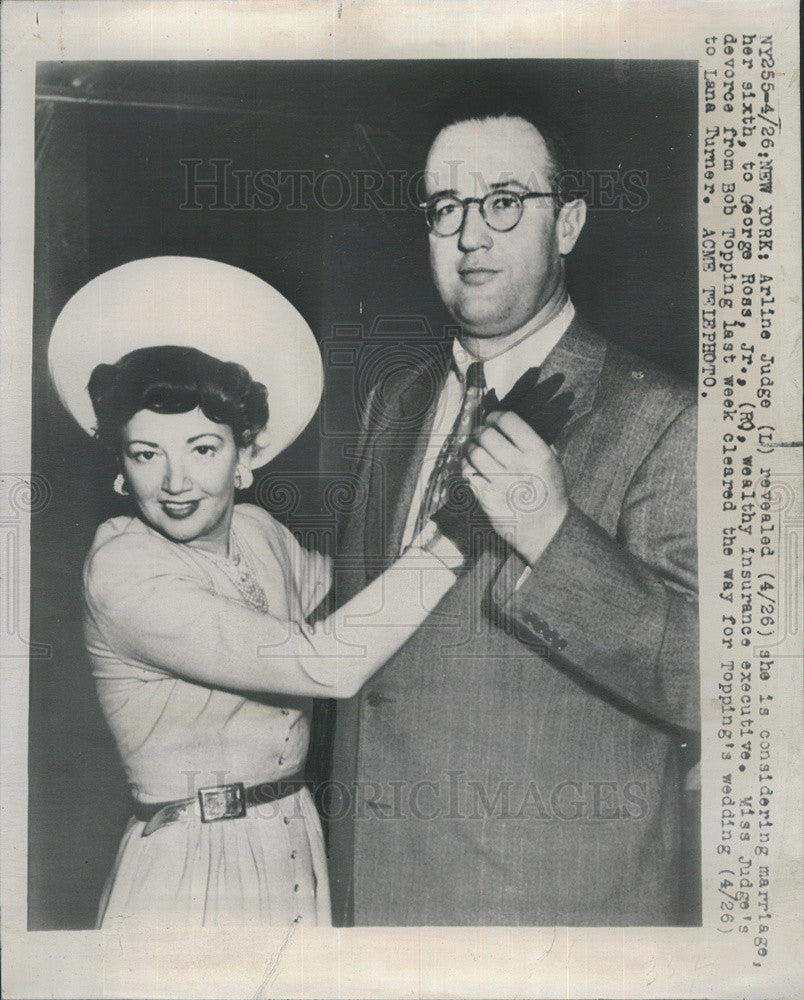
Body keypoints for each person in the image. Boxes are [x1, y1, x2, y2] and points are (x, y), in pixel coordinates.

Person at [326, 114, 700, 926]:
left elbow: (715, 682)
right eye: (444, 207)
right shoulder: (394, 404)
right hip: (373, 905)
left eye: (503, 203)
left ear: (566, 224)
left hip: (548, 916)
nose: (469, 235)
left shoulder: (670, 418)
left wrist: (556, 541)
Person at [47, 255, 464, 928]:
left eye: (202, 449)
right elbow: (329, 660)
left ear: (246, 458)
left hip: (294, 840)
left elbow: (362, 599)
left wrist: (444, 473)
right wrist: (461, 530)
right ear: (120, 472)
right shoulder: (122, 569)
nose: (175, 481)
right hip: (189, 869)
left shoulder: (260, 532)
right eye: (145, 453)